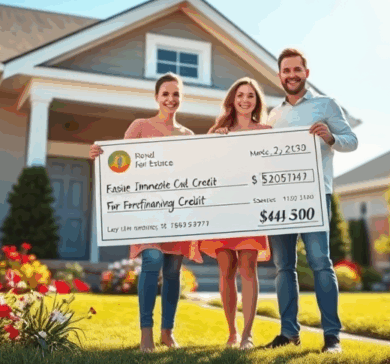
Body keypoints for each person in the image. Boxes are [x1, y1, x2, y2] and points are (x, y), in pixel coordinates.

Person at [89, 73, 203, 353]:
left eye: (176, 94)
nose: (171, 99)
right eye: (165, 94)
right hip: (146, 211)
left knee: (174, 272)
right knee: (151, 260)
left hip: (176, 213)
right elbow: (122, 162)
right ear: (156, 97)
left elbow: (194, 172)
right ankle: (146, 333)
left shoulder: (187, 135)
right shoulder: (140, 126)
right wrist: (100, 155)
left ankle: (168, 332)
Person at [262, 48, 358, 354]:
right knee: (283, 267)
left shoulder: (326, 104)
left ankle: (332, 336)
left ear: (306, 72)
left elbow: (351, 141)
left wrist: (330, 138)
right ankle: (289, 332)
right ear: (279, 76)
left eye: (296, 70)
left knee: (320, 263)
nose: (291, 75)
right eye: (286, 71)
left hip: (315, 196)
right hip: (278, 199)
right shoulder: (273, 115)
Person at [199, 77, 272, 350]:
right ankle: (232, 331)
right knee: (226, 270)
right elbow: (204, 170)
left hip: (251, 209)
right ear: (232, 99)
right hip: (223, 210)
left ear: (256, 102)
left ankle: (247, 335)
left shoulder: (266, 131)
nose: (245, 100)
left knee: (248, 269)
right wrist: (212, 143)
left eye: (250, 96)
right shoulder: (218, 131)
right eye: (240, 95)